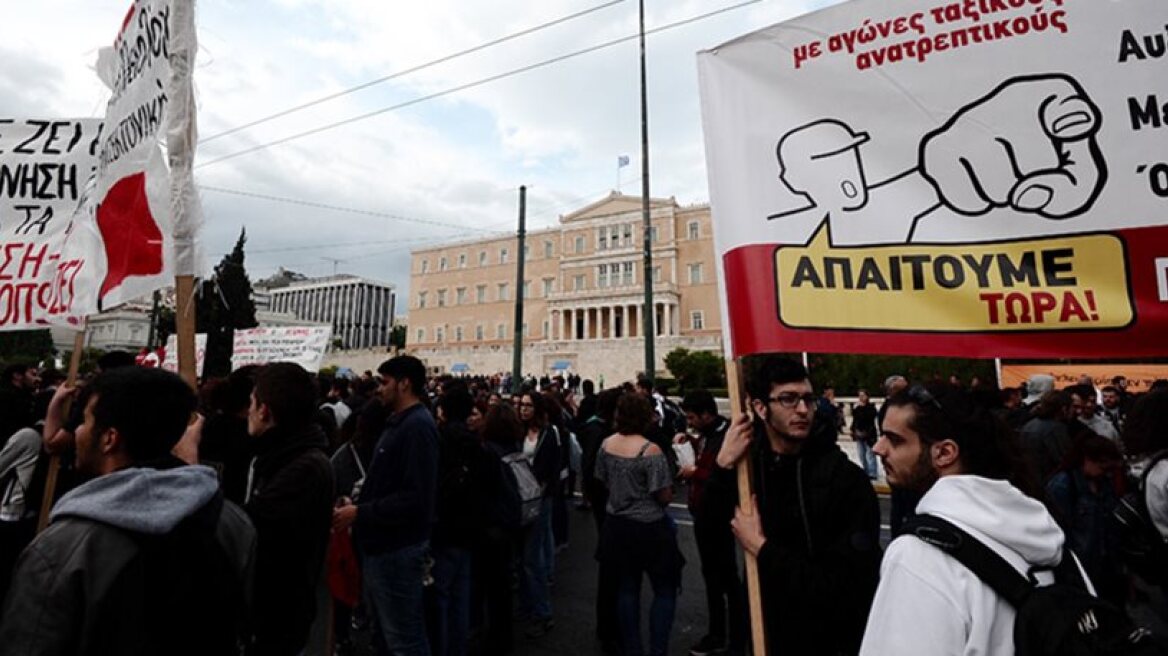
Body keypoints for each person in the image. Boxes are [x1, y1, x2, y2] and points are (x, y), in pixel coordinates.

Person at [0, 367, 256, 654]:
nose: (79, 431)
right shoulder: (235, 524)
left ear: (110, 438)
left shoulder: (63, 547)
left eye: (84, 420)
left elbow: (30, 642)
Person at [860, 384, 1065, 655]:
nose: (878, 448)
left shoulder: (919, 555)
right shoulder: (1045, 532)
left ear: (945, 453)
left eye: (895, 439)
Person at [709, 357, 882, 655]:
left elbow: (848, 584)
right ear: (760, 408)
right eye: (788, 399)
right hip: (765, 632)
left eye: (807, 399)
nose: (803, 410)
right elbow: (711, 536)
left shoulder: (845, 480)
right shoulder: (749, 472)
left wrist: (763, 549)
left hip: (830, 639)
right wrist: (722, 466)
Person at [333, 355, 439, 656]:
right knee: (391, 636)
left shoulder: (417, 427)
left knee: (405, 639)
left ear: (404, 384)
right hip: (386, 547)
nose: (379, 389)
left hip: (397, 550)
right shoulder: (403, 423)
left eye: (385, 382)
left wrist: (360, 512)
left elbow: (417, 498)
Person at [244, 362, 335, 656]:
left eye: (252, 403)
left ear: (265, 411)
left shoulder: (303, 468)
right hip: (276, 611)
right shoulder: (283, 455)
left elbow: (248, 529)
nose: (248, 410)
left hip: (278, 613)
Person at [596, 393, 684, 656]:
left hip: (617, 525)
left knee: (627, 589)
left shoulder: (606, 444)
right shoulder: (650, 450)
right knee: (665, 589)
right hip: (649, 528)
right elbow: (665, 496)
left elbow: (601, 478)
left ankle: (632, 648)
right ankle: (657, 650)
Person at [676, 389, 743, 656]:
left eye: (692, 417)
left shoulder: (726, 436)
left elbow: (723, 470)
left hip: (717, 514)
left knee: (726, 580)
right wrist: (690, 444)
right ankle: (720, 634)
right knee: (713, 577)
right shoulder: (707, 435)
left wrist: (695, 472)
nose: (689, 422)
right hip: (703, 512)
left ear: (706, 414)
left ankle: (734, 639)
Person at [429, 385, 491, 656]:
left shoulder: (439, 440)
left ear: (442, 410)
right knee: (460, 596)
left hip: (444, 529)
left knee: (440, 596)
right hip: (470, 529)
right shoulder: (477, 443)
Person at [1046, 433, 1125, 604]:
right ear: (1086, 459)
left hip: (1107, 563)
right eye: (1102, 466)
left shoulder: (1104, 482)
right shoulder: (1063, 486)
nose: (1106, 471)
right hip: (1082, 568)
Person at [478, 402, 525, 654]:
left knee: (491, 586)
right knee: (503, 586)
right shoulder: (514, 447)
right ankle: (503, 637)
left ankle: (495, 639)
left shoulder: (488, 452)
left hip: (493, 526)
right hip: (511, 522)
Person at [516, 391, 561, 638]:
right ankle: (526, 606)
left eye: (528, 406)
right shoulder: (516, 433)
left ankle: (542, 613)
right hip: (520, 500)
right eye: (521, 405)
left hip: (540, 500)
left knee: (533, 559)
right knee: (524, 558)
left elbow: (553, 466)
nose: (523, 410)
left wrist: (541, 491)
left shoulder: (549, 433)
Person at [1018, 390, 1073, 486]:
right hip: (1047, 482)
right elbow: (1064, 460)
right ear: (1064, 409)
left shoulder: (1029, 425)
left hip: (1029, 480)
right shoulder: (1056, 429)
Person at [851, 389, 879, 480]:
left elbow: (869, 418)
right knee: (861, 454)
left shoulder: (871, 408)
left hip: (869, 434)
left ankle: (872, 472)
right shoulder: (857, 408)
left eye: (863, 395)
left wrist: (862, 408)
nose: (861, 397)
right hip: (859, 434)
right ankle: (866, 470)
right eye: (860, 395)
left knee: (870, 454)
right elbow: (855, 420)